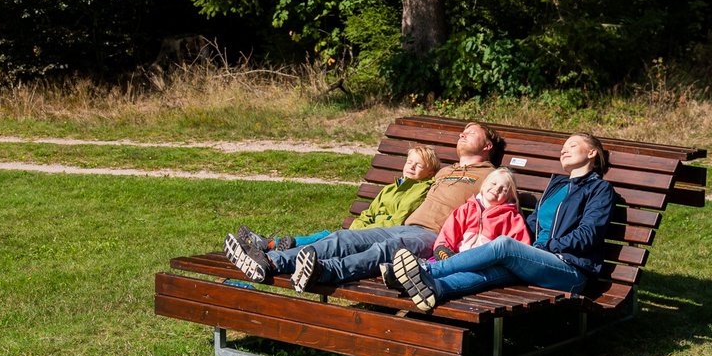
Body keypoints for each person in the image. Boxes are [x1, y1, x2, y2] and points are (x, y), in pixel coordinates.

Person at [223, 121, 502, 291]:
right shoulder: (443, 171)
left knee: (384, 251)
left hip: (435, 238)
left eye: (470, 132)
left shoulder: (492, 176)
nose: (462, 134)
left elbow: (502, 213)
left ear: (487, 146)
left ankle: (325, 271)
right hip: (405, 226)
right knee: (344, 238)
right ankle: (272, 261)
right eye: (462, 131)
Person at [390, 132, 615, 313]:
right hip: (539, 260)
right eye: (563, 147)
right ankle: (436, 287)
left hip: (571, 269)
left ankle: (426, 268)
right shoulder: (556, 186)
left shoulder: (600, 189)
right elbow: (532, 224)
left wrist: (544, 247)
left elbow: (588, 234)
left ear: (591, 153)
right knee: (491, 270)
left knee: (504, 245)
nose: (564, 150)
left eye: (572, 145)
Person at [254, 145, 440, 253]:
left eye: (418, 165)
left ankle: (274, 248)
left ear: (430, 173)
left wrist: (361, 229)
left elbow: (397, 221)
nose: (411, 167)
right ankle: (274, 244)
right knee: (327, 236)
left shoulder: (421, 190)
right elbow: (369, 213)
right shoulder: (391, 188)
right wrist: (358, 225)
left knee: (330, 239)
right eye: (409, 162)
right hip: (362, 231)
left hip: (381, 237)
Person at [430, 168, 533, 259]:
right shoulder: (467, 209)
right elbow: (450, 230)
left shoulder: (510, 217)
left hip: (487, 261)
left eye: (504, 190)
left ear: (508, 198)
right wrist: (443, 247)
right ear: (484, 185)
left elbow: (520, 245)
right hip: (458, 255)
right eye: (493, 183)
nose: (497, 189)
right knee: (436, 266)